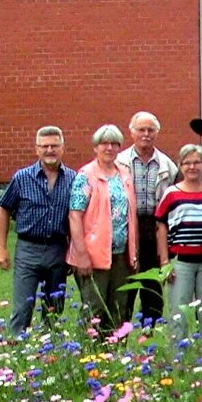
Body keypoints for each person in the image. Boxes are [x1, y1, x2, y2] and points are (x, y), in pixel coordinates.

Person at [0, 126, 76, 334]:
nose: (50, 150)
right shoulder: (22, 178)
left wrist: (74, 253)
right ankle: (16, 352)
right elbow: (4, 211)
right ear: (37, 149)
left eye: (54, 146)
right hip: (28, 249)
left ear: (63, 148)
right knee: (22, 308)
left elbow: (78, 217)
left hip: (58, 249)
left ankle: (50, 355)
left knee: (54, 308)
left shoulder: (73, 179)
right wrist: (1, 249)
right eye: (45, 146)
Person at [67, 124, 138, 334]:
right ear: (95, 147)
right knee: (94, 309)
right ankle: (88, 355)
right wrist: (81, 255)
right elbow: (75, 215)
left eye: (114, 143)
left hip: (121, 255)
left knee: (119, 308)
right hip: (93, 256)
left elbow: (130, 215)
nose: (109, 148)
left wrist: (134, 253)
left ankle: (114, 356)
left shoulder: (124, 174)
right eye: (104, 143)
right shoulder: (86, 175)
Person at [117, 111, 179, 325]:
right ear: (131, 132)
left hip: (155, 230)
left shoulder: (168, 166)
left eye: (150, 130)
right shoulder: (119, 163)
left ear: (157, 133)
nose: (146, 134)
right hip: (127, 230)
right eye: (141, 130)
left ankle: (150, 339)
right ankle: (118, 339)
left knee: (152, 290)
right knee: (125, 289)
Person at [155, 144, 202, 339]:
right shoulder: (171, 193)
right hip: (180, 263)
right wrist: (165, 262)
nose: (192, 167)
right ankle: (179, 361)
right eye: (187, 163)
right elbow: (161, 226)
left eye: (197, 162)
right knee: (178, 313)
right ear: (180, 166)